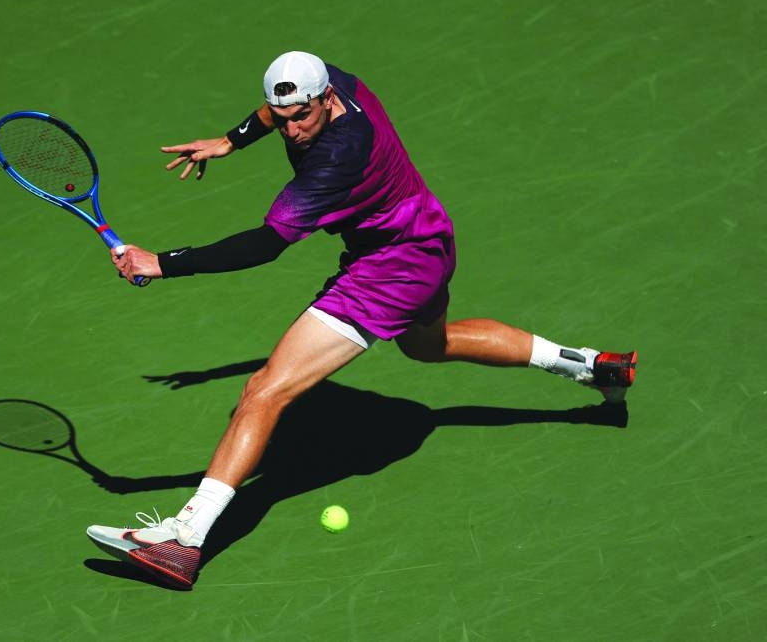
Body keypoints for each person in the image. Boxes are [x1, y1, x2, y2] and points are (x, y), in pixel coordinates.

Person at [86, 51, 636, 589]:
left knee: (264, 392)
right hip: (429, 238)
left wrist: (164, 263)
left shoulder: (335, 160)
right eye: (282, 120)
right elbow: (275, 108)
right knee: (429, 345)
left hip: (388, 271)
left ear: (325, 99)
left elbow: (267, 244)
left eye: (302, 115)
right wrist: (232, 140)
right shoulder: (339, 83)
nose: (294, 130)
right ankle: (591, 366)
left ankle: (185, 539)